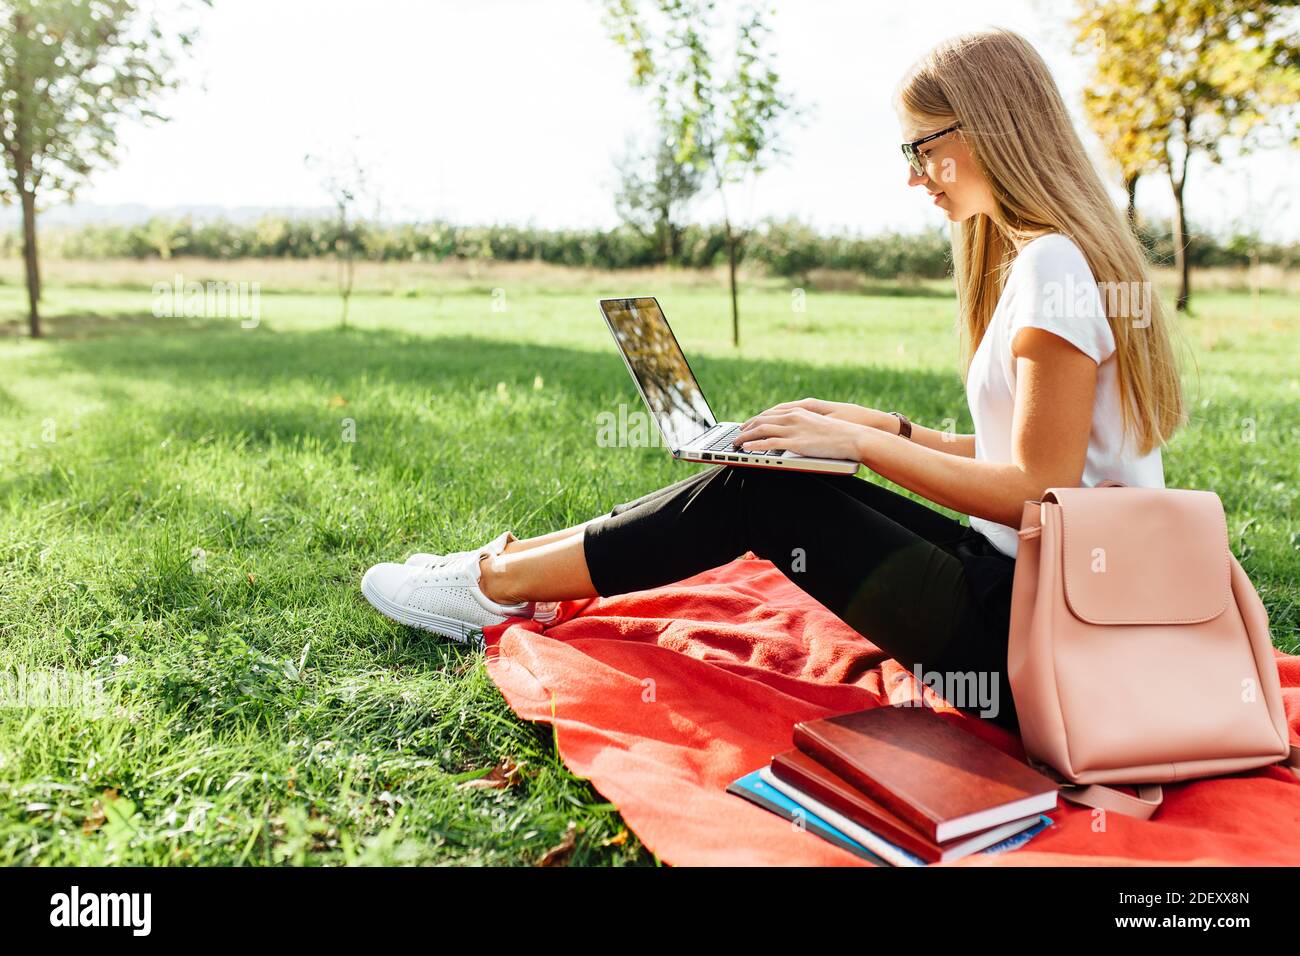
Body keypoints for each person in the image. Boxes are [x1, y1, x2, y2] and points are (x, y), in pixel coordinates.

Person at [359, 28, 1185, 730]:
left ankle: (492, 585)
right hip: (1048, 605)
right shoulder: (1056, 259)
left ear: (990, 128)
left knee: (765, 494)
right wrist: (882, 430)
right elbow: (1030, 453)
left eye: (922, 149)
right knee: (785, 476)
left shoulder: (1051, 266)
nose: (913, 177)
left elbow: (1036, 490)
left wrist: (857, 445)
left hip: (1038, 639)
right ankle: (505, 574)